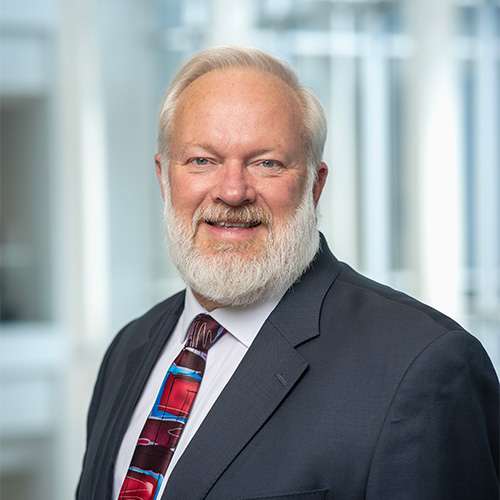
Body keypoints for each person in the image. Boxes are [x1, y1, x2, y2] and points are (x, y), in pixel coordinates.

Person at [77, 46, 499, 500]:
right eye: (202, 160)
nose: (232, 191)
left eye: (267, 163)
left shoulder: (422, 365)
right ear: (164, 178)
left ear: (314, 186)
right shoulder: (128, 349)